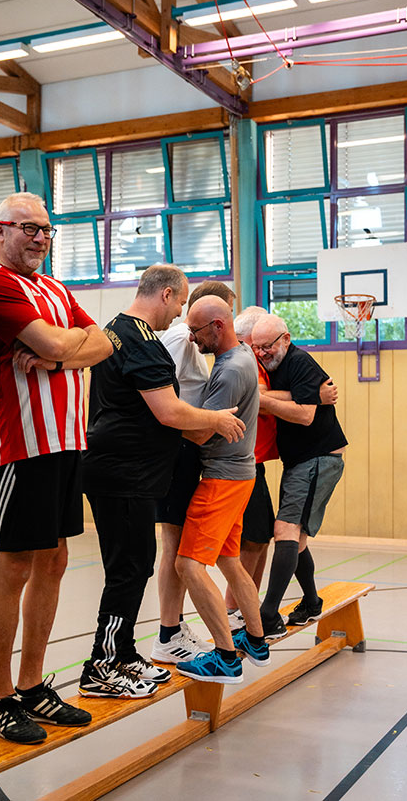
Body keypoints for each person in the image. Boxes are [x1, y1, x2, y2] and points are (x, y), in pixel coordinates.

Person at [0, 192, 112, 744]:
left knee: (53, 562)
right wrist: (65, 344)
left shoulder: (55, 287)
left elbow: (104, 343)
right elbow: (65, 336)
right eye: (27, 229)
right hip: (22, 444)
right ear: (0, 231)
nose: (38, 238)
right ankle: (0, 697)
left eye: (46, 230)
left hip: (66, 443)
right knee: (14, 569)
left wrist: (58, 356)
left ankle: (33, 686)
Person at [79, 265, 245, 699]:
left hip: (128, 470)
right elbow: (170, 412)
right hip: (123, 472)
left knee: (135, 567)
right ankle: (101, 664)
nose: (178, 319)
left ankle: (121, 652)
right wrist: (217, 418)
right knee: (128, 570)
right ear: (167, 295)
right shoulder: (143, 341)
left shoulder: (113, 330)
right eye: (180, 306)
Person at [174, 296, 270, 684]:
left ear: (217, 326)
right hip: (240, 474)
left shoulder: (230, 371)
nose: (193, 341)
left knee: (187, 565)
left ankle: (226, 656)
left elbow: (199, 430)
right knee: (229, 560)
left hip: (221, 479)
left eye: (196, 332)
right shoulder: (243, 354)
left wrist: (159, 416)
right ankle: (256, 640)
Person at [151, 280, 236, 665]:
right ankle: (167, 633)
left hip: (185, 450)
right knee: (173, 546)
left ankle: (174, 625)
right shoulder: (180, 338)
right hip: (174, 449)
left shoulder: (191, 344)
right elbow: (154, 391)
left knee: (178, 543)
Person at [252, 314, 346, 639]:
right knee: (297, 536)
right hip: (302, 460)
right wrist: (289, 396)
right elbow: (288, 398)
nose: (262, 353)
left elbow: (305, 415)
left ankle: (267, 614)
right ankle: (311, 601)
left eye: (268, 346)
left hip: (319, 457)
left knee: (286, 529)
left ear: (286, 339)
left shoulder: (300, 362)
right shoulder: (272, 368)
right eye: (257, 348)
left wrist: (258, 399)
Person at [223, 306, 277, 629]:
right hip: (244, 463)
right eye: (259, 340)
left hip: (257, 464)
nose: (262, 348)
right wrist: (307, 396)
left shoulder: (256, 362)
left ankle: (247, 604)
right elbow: (262, 398)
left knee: (261, 537)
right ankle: (233, 611)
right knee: (250, 542)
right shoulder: (244, 361)